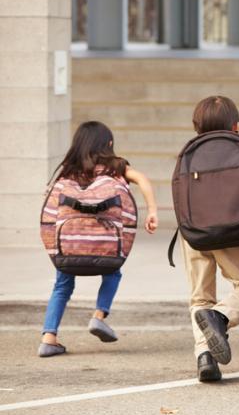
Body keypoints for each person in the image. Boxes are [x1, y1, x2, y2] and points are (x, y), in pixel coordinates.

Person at [180, 96, 239, 382]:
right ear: (235, 125)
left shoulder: (190, 151)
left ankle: (205, 357)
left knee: (200, 298)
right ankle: (219, 318)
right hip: (232, 231)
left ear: (196, 125)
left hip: (193, 232)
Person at [39, 121, 158, 357]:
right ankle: (99, 316)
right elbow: (142, 179)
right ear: (109, 144)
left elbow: (50, 208)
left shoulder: (67, 170)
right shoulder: (116, 167)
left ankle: (48, 338)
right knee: (113, 272)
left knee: (62, 285)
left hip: (70, 245)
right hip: (105, 245)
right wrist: (152, 210)